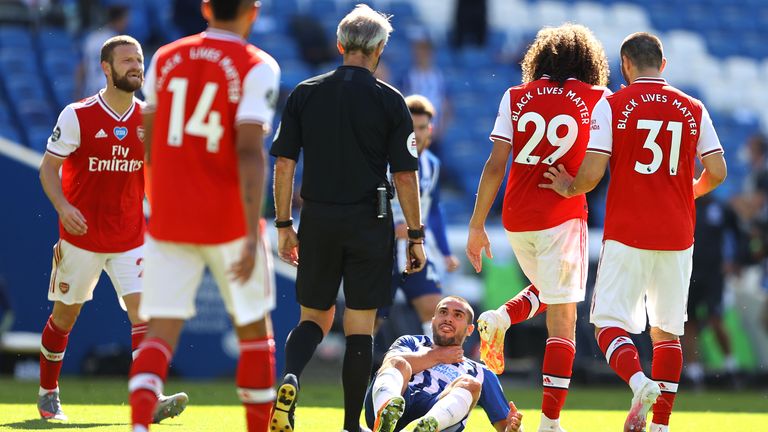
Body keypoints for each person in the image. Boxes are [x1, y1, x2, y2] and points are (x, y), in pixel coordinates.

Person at [540, 32, 727, 432]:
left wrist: (568, 187)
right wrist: (686, 194)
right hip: (677, 234)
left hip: (628, 232)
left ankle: (640, 383)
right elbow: (718, 171)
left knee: (607, 323)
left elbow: (591, 174)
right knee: (668, 333)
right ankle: (660, 426)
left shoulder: (613, 104)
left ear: (624, 64)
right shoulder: (693, 107)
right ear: (663, 64)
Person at [269, 5, 426, 432]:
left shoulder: (305, 92)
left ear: (340, 45)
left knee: (313, 318)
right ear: (379, 48)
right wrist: (415, 234)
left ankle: (290, 377)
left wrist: (284, 226)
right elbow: (406, 175)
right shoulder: (391, 100)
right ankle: (350, 425)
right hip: (368, 219)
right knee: (360, 326)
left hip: (317, 217)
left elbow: (284, 165)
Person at [127, 1, 280, 431]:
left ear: (206, 7)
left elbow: (150, 144)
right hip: (229, 217)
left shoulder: (166, 56)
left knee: (159, 334)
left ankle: (140, 425)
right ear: (254, 11)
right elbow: (249, 151)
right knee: (253, 333)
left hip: (171, 217)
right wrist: (252, 230)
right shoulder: (258, 65)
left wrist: (158, 204)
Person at [466, 24, 610, 432]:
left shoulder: (515, 96)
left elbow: (495, 165)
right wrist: (572, 185)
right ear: (587, 62)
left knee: (549, 290)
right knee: (563, 320)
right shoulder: (598, 97)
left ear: (540, 60)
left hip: (516, 217)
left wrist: (478, 224)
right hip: (560, 214)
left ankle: (502, 318)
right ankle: (550, 423)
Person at [38, 35, 188, 423]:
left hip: (129, 238)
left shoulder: (149, 118)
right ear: (106, 68)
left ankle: (148, 400)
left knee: (145, 316)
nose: (136, 67)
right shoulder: (77, 114)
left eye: (139, 60)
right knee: (64, 318)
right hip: (82, 236)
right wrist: (64, 206)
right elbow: (48, 170)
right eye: (127, 61)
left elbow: (153, 176)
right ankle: (48, 392)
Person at [383, 94, 459, 338]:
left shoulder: (433, 165)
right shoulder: (382, 161)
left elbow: (433, 209)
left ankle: (435, 372)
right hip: (382, 250)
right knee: (370, 319)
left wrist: (445, 252)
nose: (416, 134)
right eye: (411, 128)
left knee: (435, 311)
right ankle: (362, 372)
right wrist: (389, 228)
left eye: (422, 128)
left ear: (431, 129)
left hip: (415, 250)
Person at [683, 193, 742, 386]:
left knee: (715, 319)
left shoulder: (721, 208)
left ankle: (730, 366)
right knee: (688, 321)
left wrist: (735, 262)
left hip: (713, 275)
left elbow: (739, 234)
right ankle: (694, 372)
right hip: (687, 273)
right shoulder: (683, 205)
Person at [75, 5, 129, 99]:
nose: (126, 23)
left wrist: (78, 94)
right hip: (110, 93)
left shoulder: (91, 38)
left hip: (91, 93)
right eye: (125, 20)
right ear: (119, 20)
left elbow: (81, 68)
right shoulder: (118, 41)